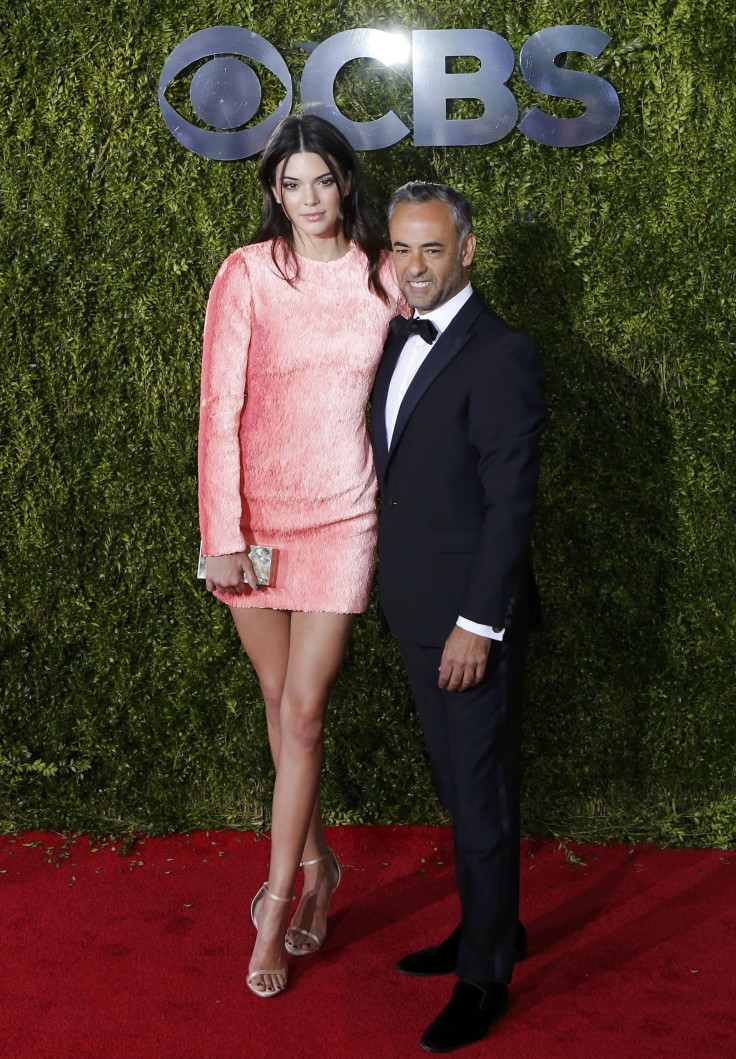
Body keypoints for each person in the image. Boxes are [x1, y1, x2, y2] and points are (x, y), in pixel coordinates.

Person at [198, 114, 405, 998]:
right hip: (253, 523)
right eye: (292, 184)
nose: (310, 198)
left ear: (347, 184)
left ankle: (277, 904)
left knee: (307, 713)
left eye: (323, 180)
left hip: (343, 516)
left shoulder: (382, 275)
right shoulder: (247, 274)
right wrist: (223, 540)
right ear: (274, 193)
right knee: (279, 703)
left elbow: (439, 353)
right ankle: (321, 866)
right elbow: (219, 406)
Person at [371, 182, 545, 1051]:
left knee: (480, 798)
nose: (415, 268)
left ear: (468, 249)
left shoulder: (501, 352)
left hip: (469, 621)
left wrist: (482, 623)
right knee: (458, 787)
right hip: (410, 607)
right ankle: (492, 927)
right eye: (402, 249)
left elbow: (511, 503)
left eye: (432, 249)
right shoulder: (395, 337)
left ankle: (485, 977)